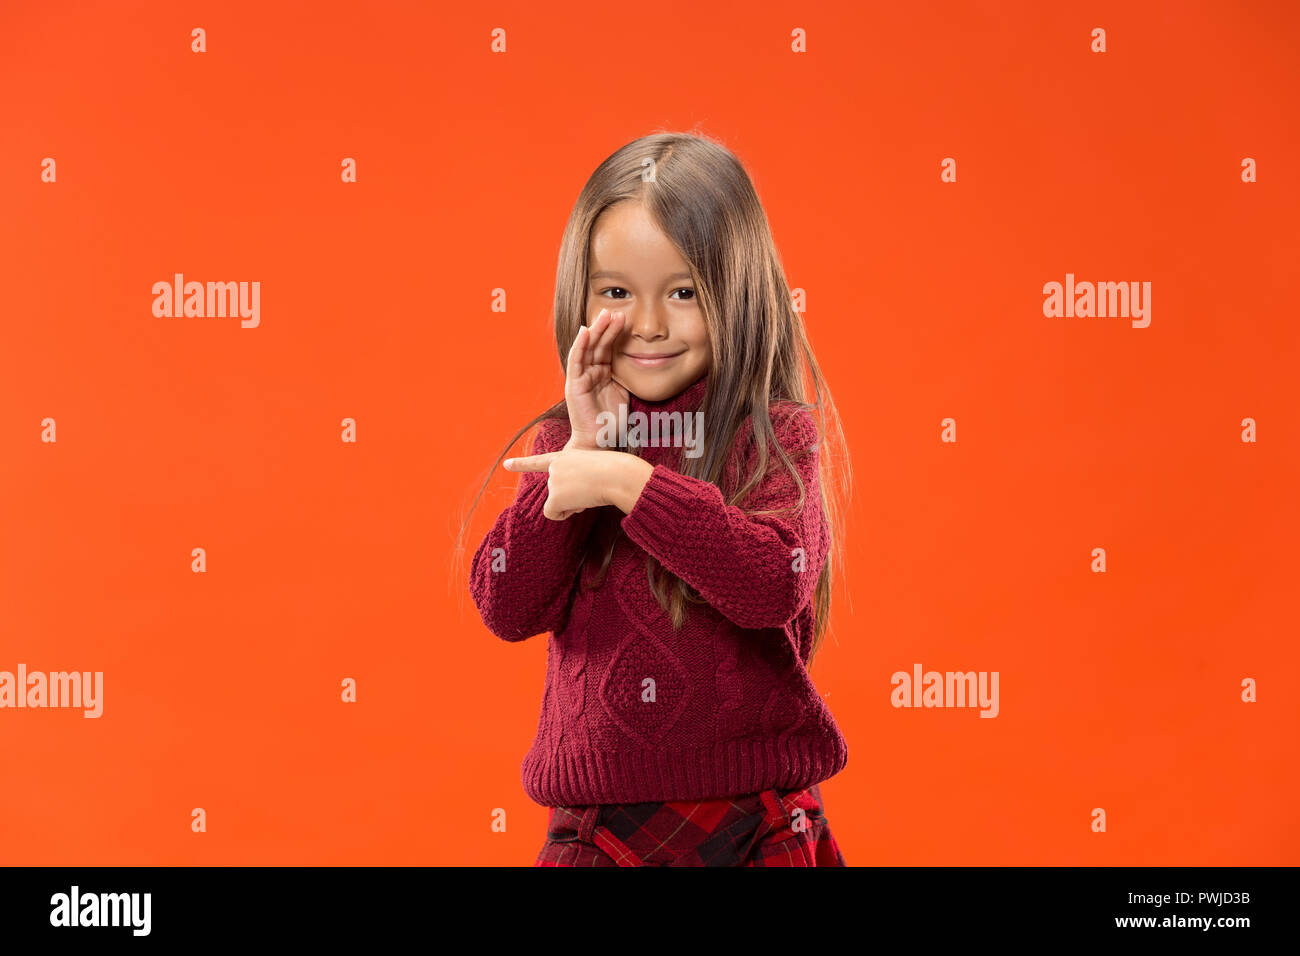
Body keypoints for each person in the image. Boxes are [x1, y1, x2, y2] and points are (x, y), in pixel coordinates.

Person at [459, 130, 853, 866]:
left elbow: (775, 582)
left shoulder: (772, 437)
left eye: (682, 292)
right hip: (600, 828)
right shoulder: (568, 444)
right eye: (616, 292)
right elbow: (505, 606)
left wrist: (627, 481)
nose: (647, 323)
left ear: (737, 292)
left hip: (754, 815)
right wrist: (582, 458)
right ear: (580, 295)